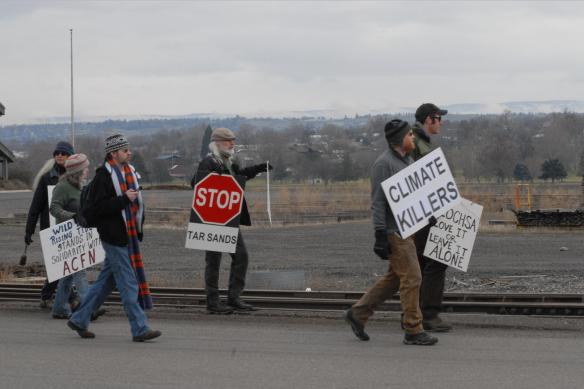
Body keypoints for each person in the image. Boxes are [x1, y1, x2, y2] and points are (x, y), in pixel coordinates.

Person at [344, 119, 438, 346]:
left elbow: (411, 196)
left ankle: (358, 313)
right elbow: (377, 203)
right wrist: (379, 234)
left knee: (395, 280)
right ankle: (413, 329)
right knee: (413, 277)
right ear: (400, 140)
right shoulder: (383, 165)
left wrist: (427, 214)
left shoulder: (406, 161)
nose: (413, 138)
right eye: (410, 135)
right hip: (395, 232)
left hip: (408, 228)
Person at [67, 134, 160, 342]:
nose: (129, 152)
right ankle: (140, 328)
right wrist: (123, 200)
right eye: (124, 150)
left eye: (128, 149)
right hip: (113, 237)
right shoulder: (104, 176)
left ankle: (79, 319)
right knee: (128, 283)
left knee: (106, 282)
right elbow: (96, 209)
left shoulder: (128, 173)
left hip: (126, 235)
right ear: (113, 153)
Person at [192, 127, 272, 314]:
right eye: (228, 141)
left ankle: (234, 298)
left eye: (233, 141)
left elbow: (239, 177)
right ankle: (213, 303)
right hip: (212, 218)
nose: (232, 144)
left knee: (241, 257)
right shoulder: (208, 161)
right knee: (213, 261)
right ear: (218, 143)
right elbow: (196, 183)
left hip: (228, 218)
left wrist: (259, 168)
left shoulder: (228, 162)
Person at [49, 154, 106, 321]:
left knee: (68, 276)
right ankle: (90, 308)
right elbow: (54, 208)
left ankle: (59, 309)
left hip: (79, 235)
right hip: (66, 236)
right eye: (85, 168)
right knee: (79, 271)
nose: (88, 170)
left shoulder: (82, 186)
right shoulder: (62, 187)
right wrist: (72, 216)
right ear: (78, 171)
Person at [412, 103, 452, 332]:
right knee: (436, 260)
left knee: (421, 263)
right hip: (424, 214)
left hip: (423, 213)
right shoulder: (417, 143)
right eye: (438, 118)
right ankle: (428, 315)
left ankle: (415, 313)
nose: (441, 122)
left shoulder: (419, 141)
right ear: (429, 119)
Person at [24, 141, 75, 308]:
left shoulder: (76, 177)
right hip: (51, 228)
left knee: (64, 264)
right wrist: (29, 230)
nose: (59, 155)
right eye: (57, 153)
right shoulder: (47, 179)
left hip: (71, 227)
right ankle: (72, 300)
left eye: (63, 153)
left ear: (70, 156)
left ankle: (48, 296)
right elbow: (36, 206)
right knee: (60, 264)